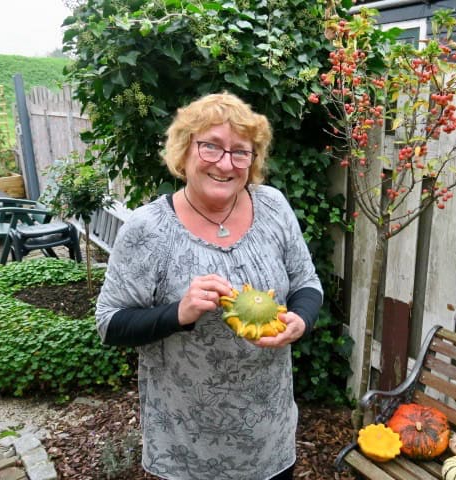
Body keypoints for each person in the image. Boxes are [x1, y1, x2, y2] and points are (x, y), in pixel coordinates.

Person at [95, 92, 323, 480]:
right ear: (184, 152)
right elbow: (110, 324)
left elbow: (306, 280)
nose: (225, 163)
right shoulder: (147, 229)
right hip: (187, 447)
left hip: (269, 434)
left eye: (240, 152)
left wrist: (300, 319)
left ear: (252, 161)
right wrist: (178, 313)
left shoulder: (273, 206)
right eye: (211, 147)